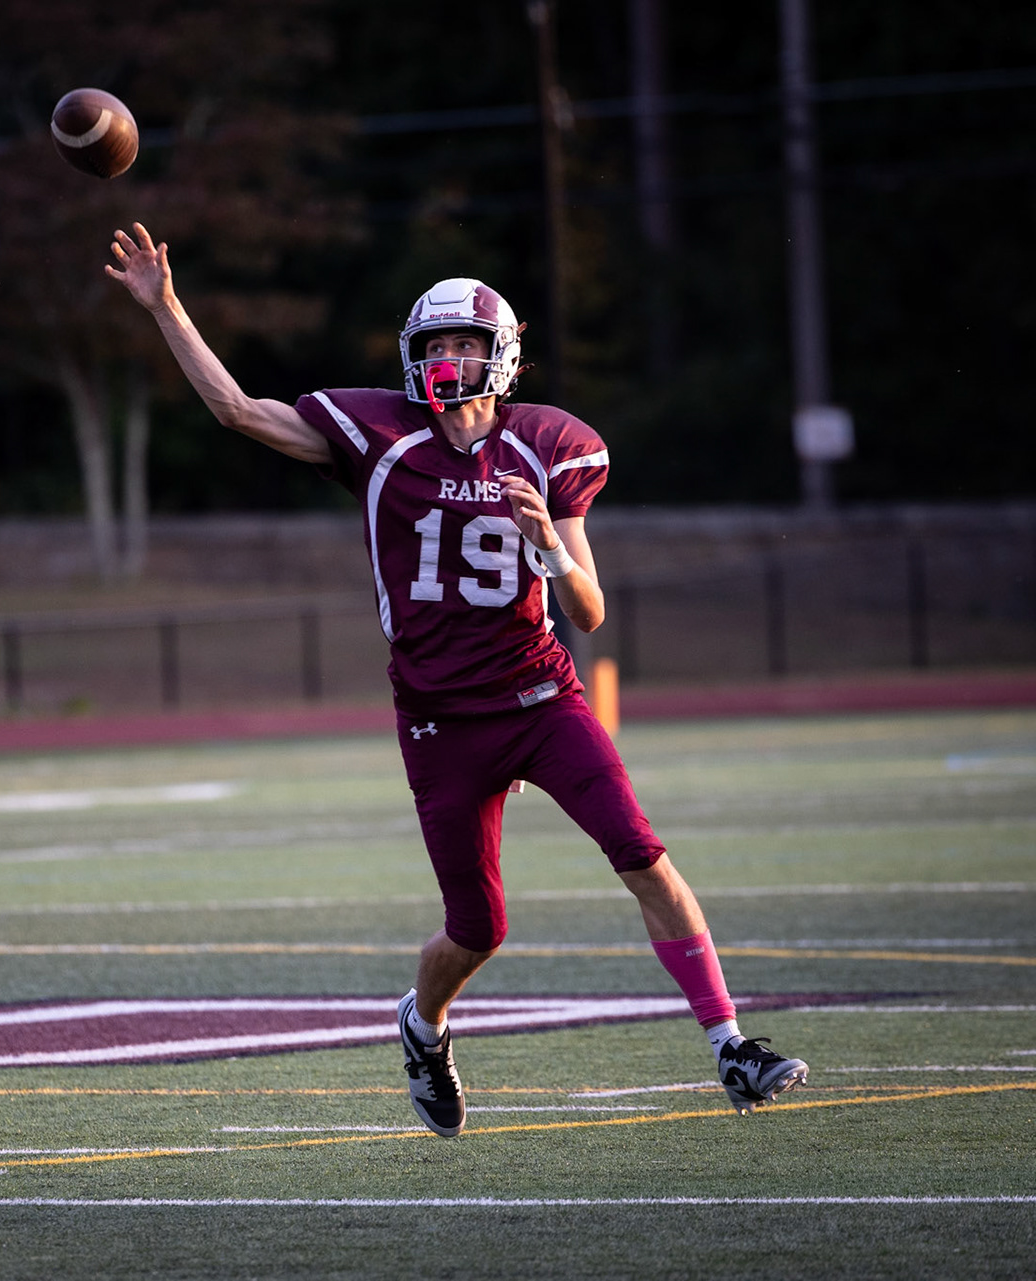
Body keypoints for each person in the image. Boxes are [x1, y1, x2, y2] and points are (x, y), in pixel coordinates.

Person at [106, 224, 808, 1135]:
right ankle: (423, 1022)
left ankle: (730, 1046)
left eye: (463, 345)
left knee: (641, 853)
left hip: (542, 697)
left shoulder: (550, 446)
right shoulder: (378, 436)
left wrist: (547, 543)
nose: (446, 360)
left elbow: (590, 611)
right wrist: (166, 307)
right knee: (478, 928)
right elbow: (240, 410)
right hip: (441, 716)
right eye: (433, 345)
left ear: (501, 356)